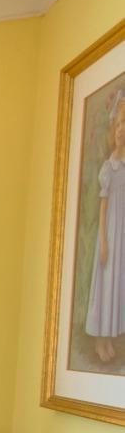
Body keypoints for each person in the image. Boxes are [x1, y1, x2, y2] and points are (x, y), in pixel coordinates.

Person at [86, 91, 125, 366]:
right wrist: (102, 240)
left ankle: (110, 339)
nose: (123, 131)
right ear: (114, 130)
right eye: (120, 125)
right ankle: (99, 340)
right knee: (105, 283)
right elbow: (103, 206)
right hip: (109, 234)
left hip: (122, 233)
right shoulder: (108, 168)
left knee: (117, 285)